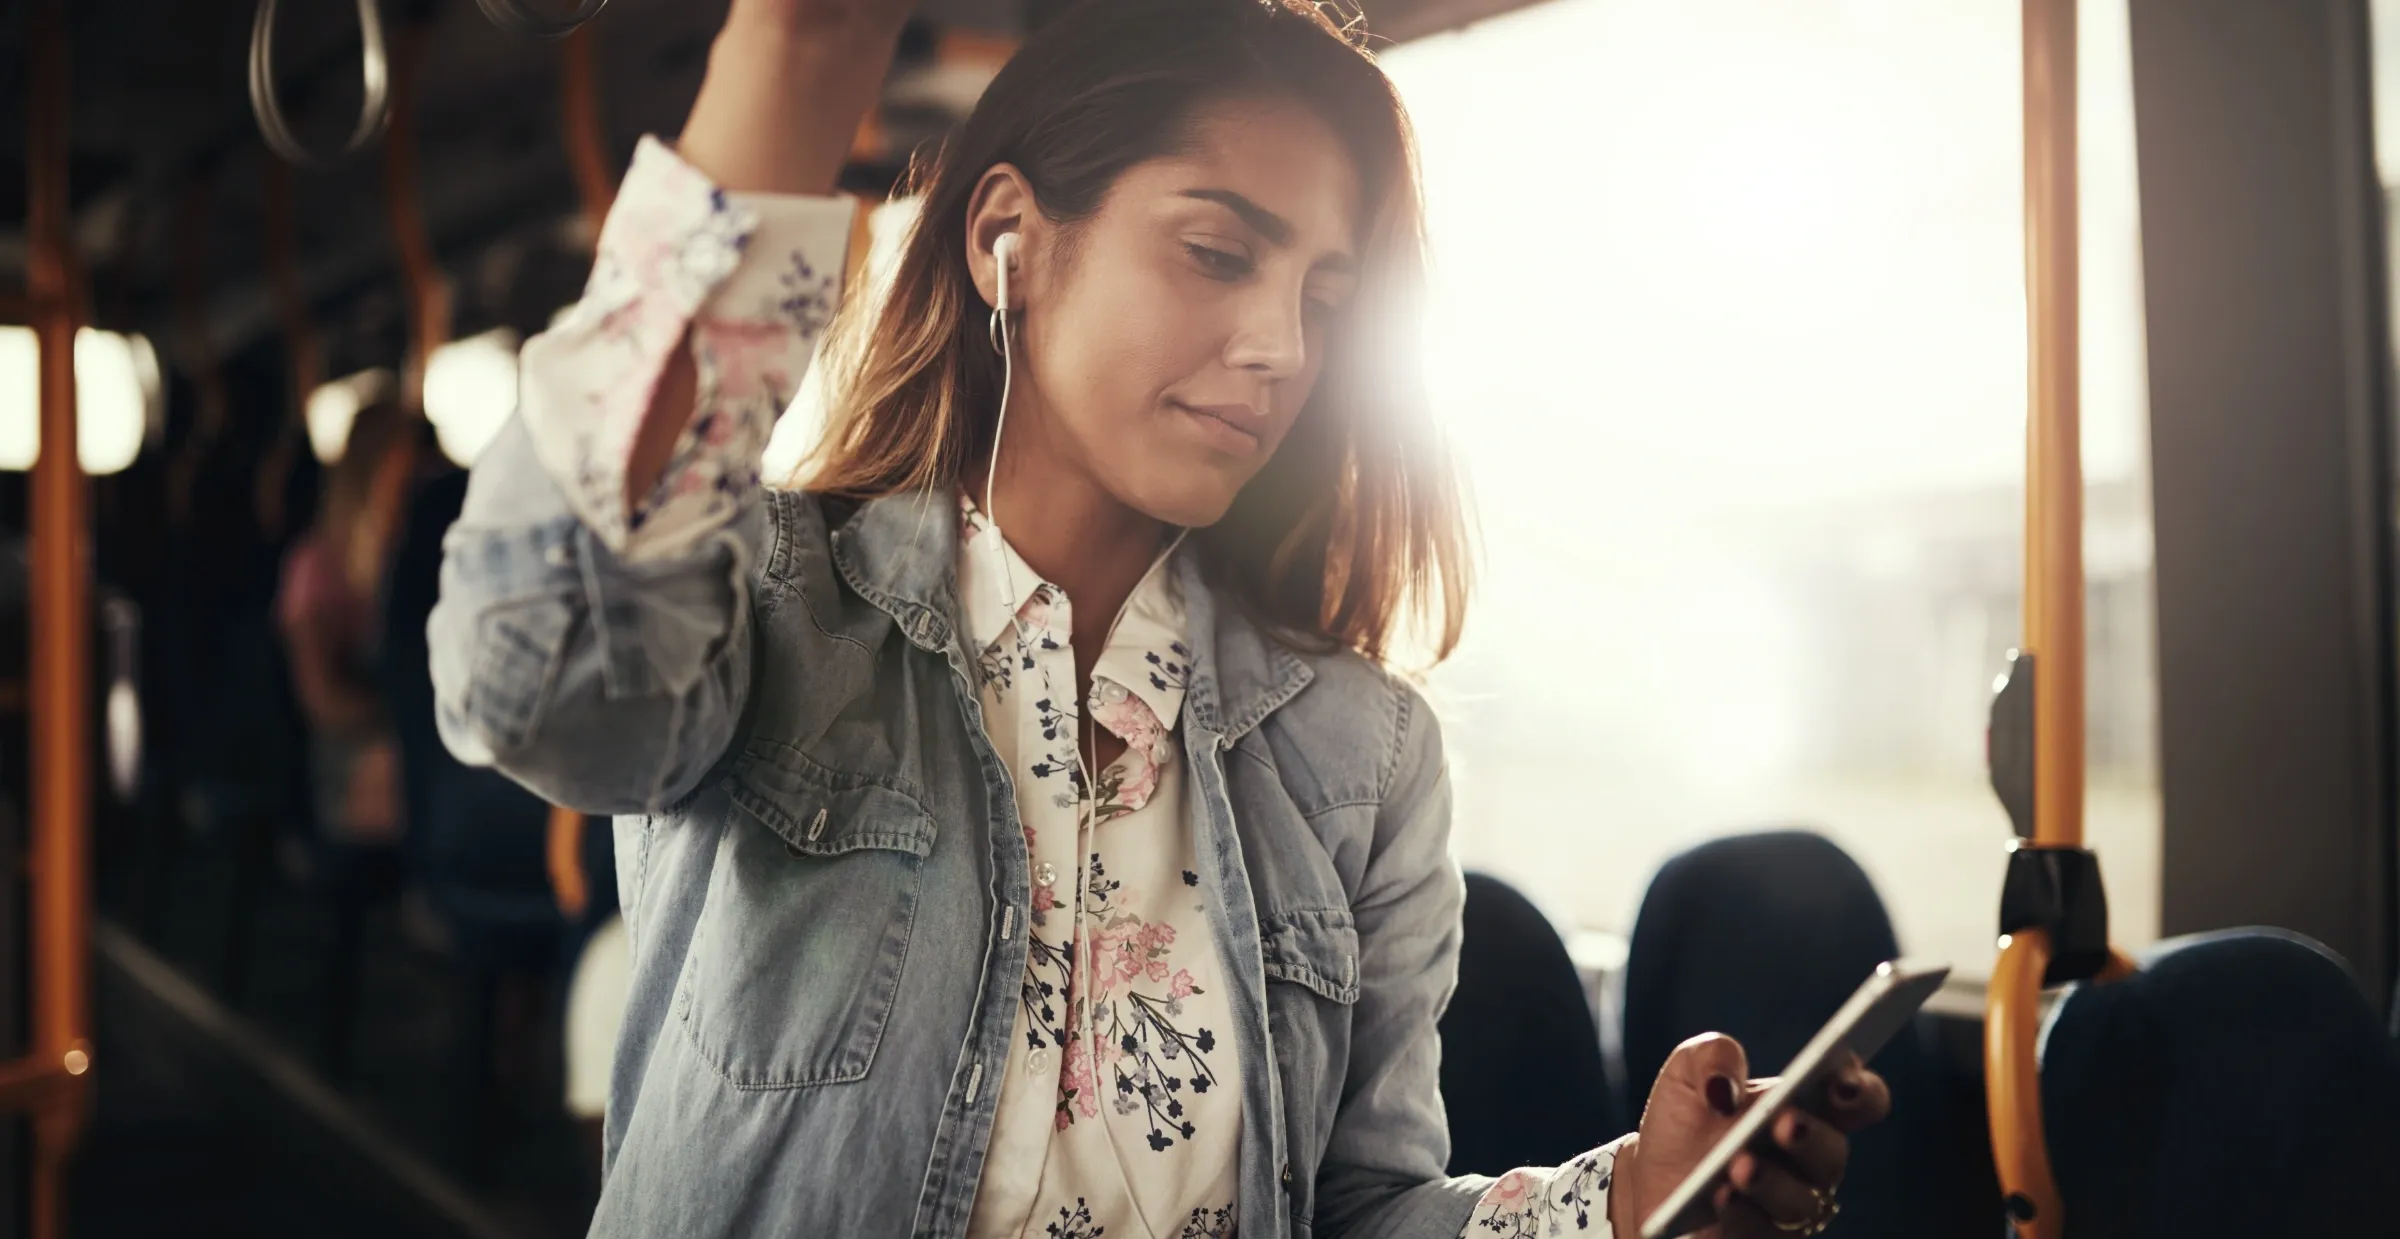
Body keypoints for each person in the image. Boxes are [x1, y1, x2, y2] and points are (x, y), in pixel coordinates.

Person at [429, 0, 1891, 1234]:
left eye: (1325, 294)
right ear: (1006, 237)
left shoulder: (1360, 751)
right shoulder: (771, 598)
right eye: (1216, 253)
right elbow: (538, 678)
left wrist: (1629, 1198)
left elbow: (1361, 1205)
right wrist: (801, 55)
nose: (1280, 350)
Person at [279, 399, 414, 845]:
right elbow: (324, 701)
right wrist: (412, 718)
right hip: (352, 758)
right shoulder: (315, 566)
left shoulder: (417, 559)